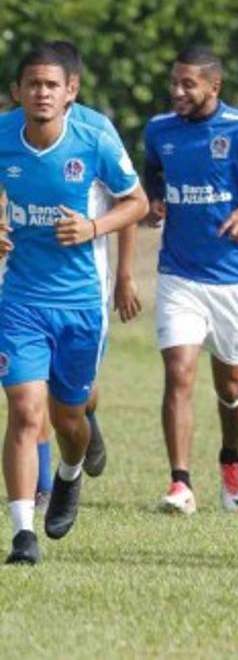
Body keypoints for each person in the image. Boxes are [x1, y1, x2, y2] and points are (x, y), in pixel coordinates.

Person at [0, 45, 148, 564]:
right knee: (23, 408)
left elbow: (138, 203)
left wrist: (92, 228)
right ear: (18, 91)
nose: (41, 93)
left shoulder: (94, 137)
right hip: (19, 299)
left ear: (71, 92)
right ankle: (22, 533)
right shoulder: (3, 136)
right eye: (32, 84)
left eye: (51, 85)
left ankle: (68, 474)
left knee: (69, 418)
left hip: (81, 303)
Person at [142, 46, 238, 515]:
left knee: (229, 387)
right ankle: (180, 483)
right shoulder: (159, 130)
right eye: (175, 83)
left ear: (214, 87)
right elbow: (153, 173)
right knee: (178, 373)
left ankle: (230, 455)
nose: (178, 92)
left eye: (189, 84)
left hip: (234, 279)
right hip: (178, 274)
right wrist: (157, 199)